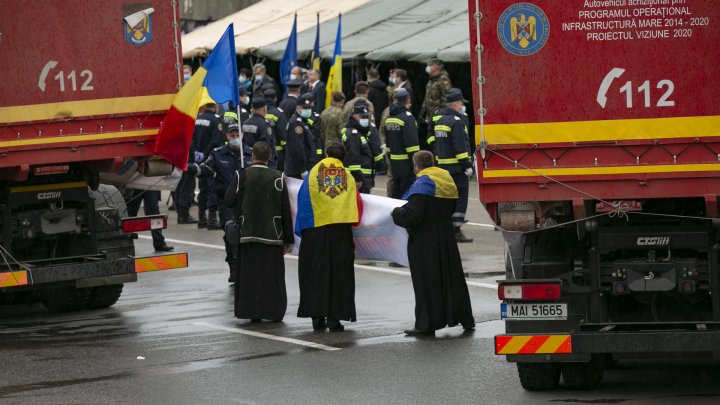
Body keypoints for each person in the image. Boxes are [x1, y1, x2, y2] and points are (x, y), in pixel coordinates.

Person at [391, 150, 475, 335]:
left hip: (425, 241)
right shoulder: (446, 179)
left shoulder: (422, 184)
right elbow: (453, 207)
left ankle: (426, 324)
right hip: (446, 238)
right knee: (451, 280)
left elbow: (413, 216)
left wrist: (395, 213)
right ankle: (464, 318)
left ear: (416, 166)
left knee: (426, 283)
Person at [296, 142, 363, 332]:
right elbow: (357, 205)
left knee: (315, 275)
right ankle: (335, 319)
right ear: (344, 157)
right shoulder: (348, 177)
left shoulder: (312, 175)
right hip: (340, 232)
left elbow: (303, 202)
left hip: (315, 230)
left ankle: (317, 317)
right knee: (339, 276)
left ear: (325, 154)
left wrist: (303, 229)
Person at [225, 141, 294, 322]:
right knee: (272, 278)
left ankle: (252, 312)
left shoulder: (242, 175)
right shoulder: (278, 177)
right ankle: (273, 312)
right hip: (273, 235)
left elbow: (228, 200)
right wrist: (288, 239)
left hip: (248, 235)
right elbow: (285, 210)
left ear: (252, 156)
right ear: (269, 157)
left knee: (251, 277)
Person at [188, 124, 250, 282]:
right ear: (227, 136)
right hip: (227, 202)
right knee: (231, 233)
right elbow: (204, 170)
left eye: (237, 134)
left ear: (242, 135)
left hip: (249, 203)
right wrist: (187, 168)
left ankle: (249, 268)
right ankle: (234, 268)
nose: (235, 138)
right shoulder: (218, 154)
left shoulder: (250, 153)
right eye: (232, 135)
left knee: (248, 236)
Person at [428, 88, 473, 243]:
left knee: (446, 198)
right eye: (461, 104)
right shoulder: (457, 122)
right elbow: (460, 147)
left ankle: (446, 229)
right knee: (460, 199)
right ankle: (456, 230)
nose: (462, 107)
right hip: (457, 168)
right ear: (456, 105)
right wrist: (467, 165)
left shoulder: (440, 120)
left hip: (443, 167)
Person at [341, 101, 384, 194]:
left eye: (366, 117)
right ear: (355, 116)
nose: (365, 119)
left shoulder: (361, 132)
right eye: (362, 117)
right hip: (358, 180)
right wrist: (357, 179)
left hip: (364, 178)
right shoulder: (353, 134)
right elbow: (353, 159)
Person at [385, 88, 420, 199]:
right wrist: (416, 164)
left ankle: (394, 214)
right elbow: (412, 145)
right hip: (406, 163)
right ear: (408, 100)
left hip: (394, 163)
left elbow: (388, 143)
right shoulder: (407, 118)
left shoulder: (390, 118)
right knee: (406, 192)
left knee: (396, 191)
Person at [125, 188, 174, 252]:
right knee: (129, 216)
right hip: (134, 183)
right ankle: (125, 242)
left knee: (154, 214)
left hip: (150, 183)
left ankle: (159, 243)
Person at [284, 94, 316, 179]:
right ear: (298, 108)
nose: (308, 110)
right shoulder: (296, 123)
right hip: (297, 171)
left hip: (301, 168)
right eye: (305, 108)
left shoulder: (302, 121)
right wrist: (302, 170)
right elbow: (297, 148)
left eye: (309, 108)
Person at [421, 59, 451, 148]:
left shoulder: (443, 79)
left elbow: (447, 99)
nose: (428, 67)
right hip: (431, 117)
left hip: (439, 117)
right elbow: (427, 97)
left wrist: (442, 115)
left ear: (437, 67)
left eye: (431, 65)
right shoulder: (432, 79)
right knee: (430, 139)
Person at [242, 97, 276, 168]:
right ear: (264, 109)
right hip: (262, 162)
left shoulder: (246, 122)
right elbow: (266, 145)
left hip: (248, 160)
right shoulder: (264, 124)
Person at [262, 88, 288, 170]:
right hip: (277, 154)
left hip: (260, 152)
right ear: (275, 99)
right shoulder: (278, 113)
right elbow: (283, 134)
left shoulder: (257, 111)